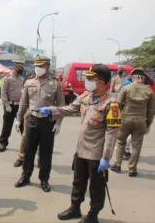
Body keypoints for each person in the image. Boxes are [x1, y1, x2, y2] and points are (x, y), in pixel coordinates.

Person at [35, 64, 121, 223]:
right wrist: (51, 110)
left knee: (96, 187)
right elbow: (69, 108)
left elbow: (111, 133)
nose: (86, 81)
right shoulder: (87, 96)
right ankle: (75, 208)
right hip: (81, 150)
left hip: (97, 154)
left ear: (100, 82)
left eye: (90, 78)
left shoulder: (111, 103)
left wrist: (106, 157)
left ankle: (93, 214)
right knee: (78, 182)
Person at [14, 54, 65, 193]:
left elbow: (61, 104)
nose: (38, 68)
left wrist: (59, 122)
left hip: (48, 121)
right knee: (28, 149)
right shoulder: (29, 82)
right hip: (32, 119)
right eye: (36, 66)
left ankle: (44, 179)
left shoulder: (55, 83)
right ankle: (25, 176)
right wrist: (18, 119)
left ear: (47, 67)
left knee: (46, 152)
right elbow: (23, 103)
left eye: (41, 66)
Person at [110, 68, 154, 177]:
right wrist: (148, 123)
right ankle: (132, 169)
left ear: (135, 78)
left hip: (125, 119)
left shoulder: (125, 88)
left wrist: (115, 121)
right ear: (142, 79)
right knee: (136, 146)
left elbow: (118, 105)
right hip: (141, 120)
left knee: (120, 142)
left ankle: (117, 165)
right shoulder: (149, 91)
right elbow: (151, 110)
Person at [0, 61, 24, 152]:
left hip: (20, 106)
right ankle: (3, 143)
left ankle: (26, 143)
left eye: (22, 68)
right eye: (19, 68)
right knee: (7, 126)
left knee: (23, 126)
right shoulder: (7, 78)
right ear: (14, 67)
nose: (21, 70)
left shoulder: (21, 79)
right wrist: (6, 105)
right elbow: (3, 93)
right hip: (10, 105)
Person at [13, 71, 36, 167]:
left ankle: (39, 158)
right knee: (25, 136)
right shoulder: (26, 85)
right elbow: (23, 103)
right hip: (28, 112)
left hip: (43, 115)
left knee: (40, 138)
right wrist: (18, 118)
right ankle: (21, 157)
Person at [119, 76, 133, 160]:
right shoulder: (131, 87)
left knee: (123, 135)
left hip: (124, 114)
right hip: (132, 115)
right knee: (131, 135)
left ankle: (122, 152)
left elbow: (119, 102)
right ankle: (126, 151)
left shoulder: (124, 85)